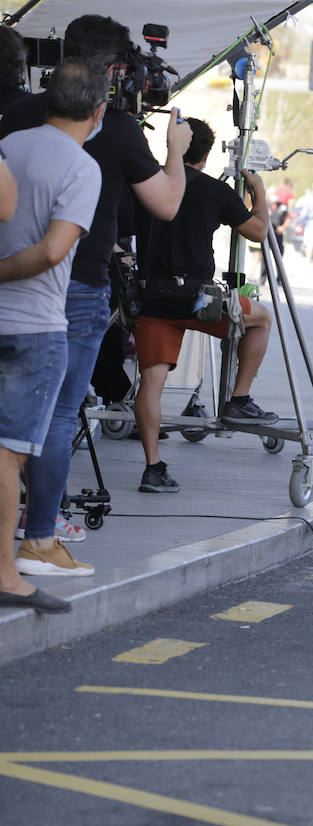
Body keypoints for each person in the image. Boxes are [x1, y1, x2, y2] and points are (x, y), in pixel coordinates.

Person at [1, 14, 191, 570]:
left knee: (13, 420)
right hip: (76, 285)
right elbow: (168, 205)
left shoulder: (15, 118)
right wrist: (176, 148)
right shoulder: (109, 130)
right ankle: (43, 529)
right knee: (59, 415)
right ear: (108, 80)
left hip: (14, 282)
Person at [1, 59, 104, 604]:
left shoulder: (10, 144)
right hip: (35, 325)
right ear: (99, 110)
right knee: (11, 452)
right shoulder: (82, 167)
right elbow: (53, 251)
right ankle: (23, 559)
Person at [131, 117, 278, 494]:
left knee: (152, 381)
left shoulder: (144, 185)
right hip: (199, 302)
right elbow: (259, 232)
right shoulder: (214, 191)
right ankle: (239, 399)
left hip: (151, 298)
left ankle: (153, 467)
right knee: (261, 319)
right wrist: (258, 190)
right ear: (208, 153)